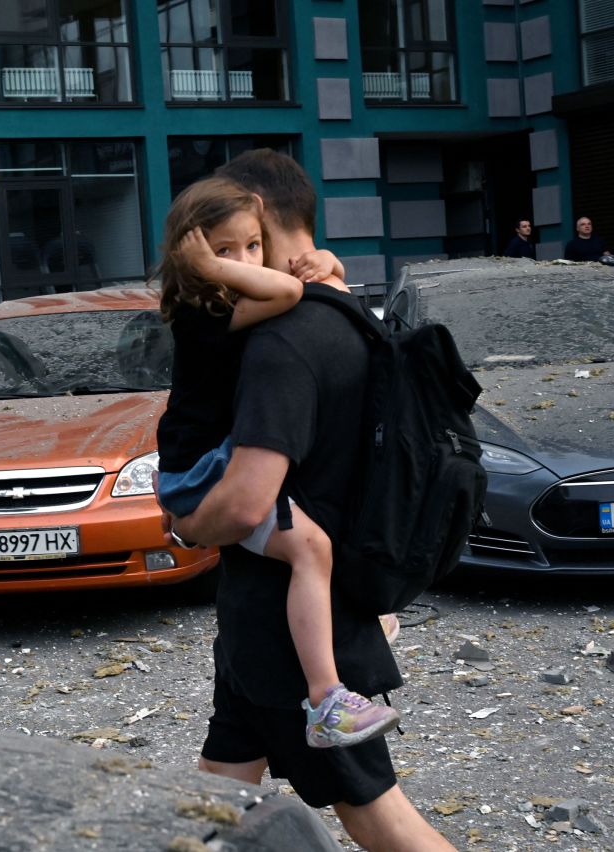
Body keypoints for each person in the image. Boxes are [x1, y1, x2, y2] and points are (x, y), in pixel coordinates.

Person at [171, 149, 455, 851]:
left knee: (379, 818)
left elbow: (244, 504)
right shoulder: (344, 309)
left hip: (290, 641)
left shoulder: (283, 342)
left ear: (256, 213)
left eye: (240, 237)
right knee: (214, 798)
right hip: (272, 628)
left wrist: (183, 527)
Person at [155, 175, 400, 750]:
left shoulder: (234, 298)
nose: (243, 260)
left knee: (230, 766)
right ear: (191, 258)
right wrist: (217, 272)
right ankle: (326, 701)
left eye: (253, 245)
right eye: (223, 250)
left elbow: (317, 287)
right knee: (309, 547)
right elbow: (288, 294)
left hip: (205, 463)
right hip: (198, 471)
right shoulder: (202, 310)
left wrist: (328, 264)